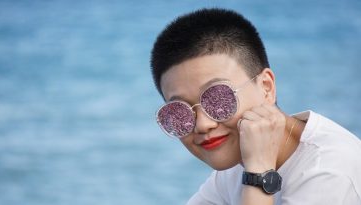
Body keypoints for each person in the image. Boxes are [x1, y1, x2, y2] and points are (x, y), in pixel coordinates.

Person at [150, 8, 361, 205]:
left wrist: (259, 172)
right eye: (179, 112)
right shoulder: (240, 154)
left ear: (266, 87)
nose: (203, 125)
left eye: (218, 98)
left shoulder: (328, 173)